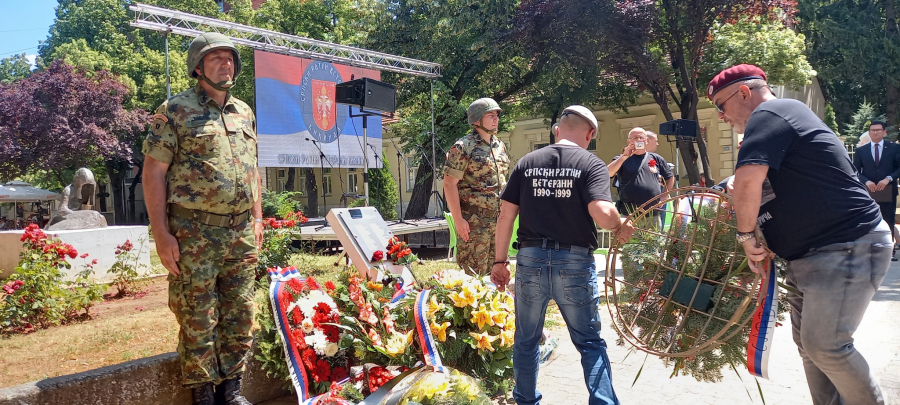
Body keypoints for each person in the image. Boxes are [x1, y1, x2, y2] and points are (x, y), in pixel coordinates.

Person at [714, 64, 889, 405]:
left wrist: (745, 237)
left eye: (721, 105)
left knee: (826, 346)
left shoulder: (771, 112)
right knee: (812, 350)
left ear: (744, 93)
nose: (721, 116)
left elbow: (749, 181)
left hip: (843, 244)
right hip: (812, 255)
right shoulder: (777, 122)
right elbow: (756, 183)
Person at [142, 33, 262, 405]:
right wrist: (161, 233)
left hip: (240, 231)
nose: (225, 63)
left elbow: (252, 169)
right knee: (197, 313)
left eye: (229, 58)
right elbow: (153, 172)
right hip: (194, 231)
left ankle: (232, 389)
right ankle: (203, 393)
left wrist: (258, 218)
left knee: (241, 309)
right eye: (215, 58)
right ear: (198, 67)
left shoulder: (244, 112)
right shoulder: (175, 110)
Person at [491, 105, 634, 405]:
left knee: (526, 340)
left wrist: (500, 262)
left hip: (530, 259)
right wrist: (619, 224)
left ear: (557, 130)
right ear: (590, 134)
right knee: (589, 342)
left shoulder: (527, 162)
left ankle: (525, 400)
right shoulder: (591, 163)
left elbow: (505, 216)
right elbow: (601, 212)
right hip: (574, 263)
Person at [442, 97, 511, 275]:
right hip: (474, 223)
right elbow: (449, 183)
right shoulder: (463, 147)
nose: (496, 119)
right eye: (490, 115)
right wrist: (458, 219)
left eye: (497, 115)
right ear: (477, 120)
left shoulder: (500, 146)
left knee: (497, 276)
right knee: (473, 278)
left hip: (498, 222)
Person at [853, 120, 900, 261]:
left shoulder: (894, 148)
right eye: (873, 130)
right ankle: (869, 250)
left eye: (878, 130)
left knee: (888, 220)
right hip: (869, 191)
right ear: (869, 132)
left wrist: (888, 179)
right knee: (868, 220)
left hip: (888, 190)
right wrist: (866, 181)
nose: (875, 132)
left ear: (884, 132)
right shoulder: (861, 150)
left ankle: (889, 251)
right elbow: (856, 170)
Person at [607, 127, 674, 216]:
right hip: (629, 213)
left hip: (652, 213)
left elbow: (670, 177)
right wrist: (624, 156)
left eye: (641, 137)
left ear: (647, 140)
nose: (638, 140)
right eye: (635, 138)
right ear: (629, 141)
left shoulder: (656, 158)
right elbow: (608, 173)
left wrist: (664, 196)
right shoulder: (621, 159)